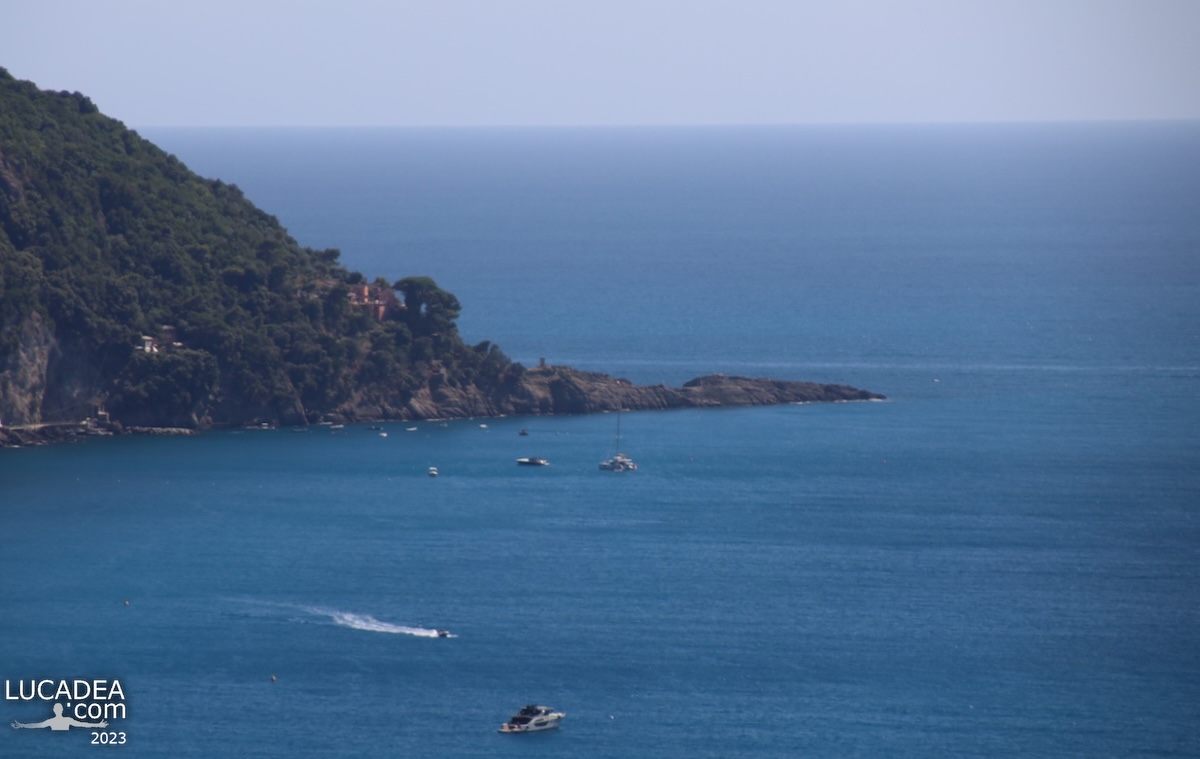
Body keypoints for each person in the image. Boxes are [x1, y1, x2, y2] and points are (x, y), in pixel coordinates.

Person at [11, 702, 108, 731]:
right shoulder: (67, 720)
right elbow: (83, 724)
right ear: (62, 710)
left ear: (54, 710)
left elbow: (36, 725)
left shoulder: (51, 721)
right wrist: (98, 725)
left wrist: (22, 725)